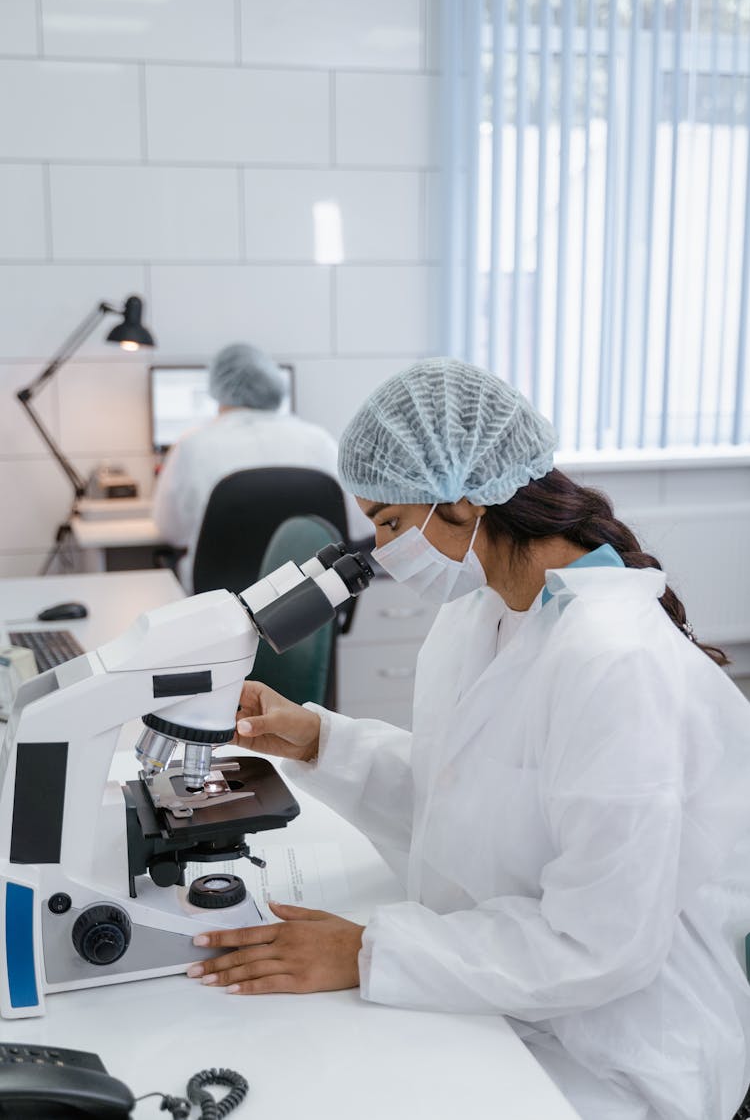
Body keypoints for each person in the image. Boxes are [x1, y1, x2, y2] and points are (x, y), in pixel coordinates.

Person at [186, 359, 750, 1120]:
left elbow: (602, 946)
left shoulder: (617, 662)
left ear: (460, 499)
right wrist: (318, 738)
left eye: (388, 521)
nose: (380, 551)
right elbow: (460, 791)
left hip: (616, 1054)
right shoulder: (479, 613)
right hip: (502, 994)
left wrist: (367, 951)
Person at [152, 342, 368, 590]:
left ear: (216, 388)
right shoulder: (318, 440)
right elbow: (358, 524)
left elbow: (171, 531)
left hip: (220, 604)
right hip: (310, 601)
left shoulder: (192, 444)